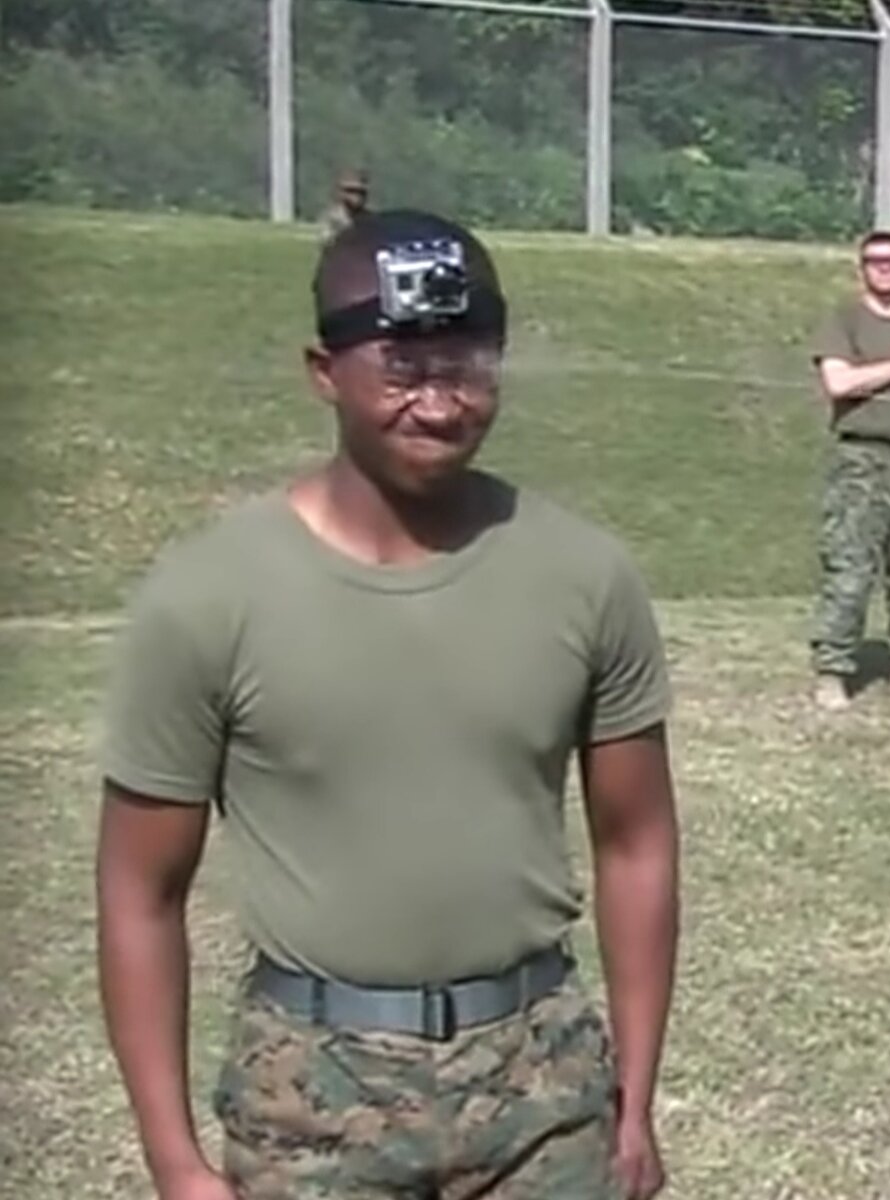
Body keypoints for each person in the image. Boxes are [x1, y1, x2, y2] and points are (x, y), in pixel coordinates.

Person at [97, 209, 680, 1200]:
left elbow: (637, 843)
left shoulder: (586, 576)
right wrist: (173, 1160)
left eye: (467, 364)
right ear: (324, 371)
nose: (440, 402)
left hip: (543, 1086)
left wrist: (633, 1108)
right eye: (403, 368)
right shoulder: (206, 598)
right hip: (310, 1098)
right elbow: (138, 892)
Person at [811, 229, 890, 711]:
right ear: (862, 267)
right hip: (864, 461)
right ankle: (833, 668)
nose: (885, 267)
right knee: (850, 568)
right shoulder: (845, 318)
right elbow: (840, 382)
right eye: (875, 260)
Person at [319, 167, 370, 244]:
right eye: (351, 191)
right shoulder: (334, 219)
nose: (356, 197)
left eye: (361, 192)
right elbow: (327, 242)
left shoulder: (368, 218)